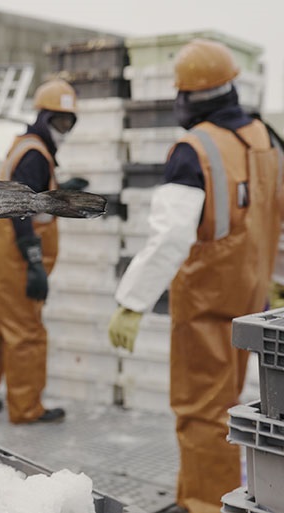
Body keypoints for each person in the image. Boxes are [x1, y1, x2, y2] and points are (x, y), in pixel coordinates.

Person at [108, 39, 283, 513]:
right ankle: (203, 496)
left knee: (201, 413)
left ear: (186, 96)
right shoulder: (265, 137)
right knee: (229, 410)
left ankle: (206, 504)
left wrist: (132, 302)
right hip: (252, 303)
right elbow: (276, 213)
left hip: (208, 308)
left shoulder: (193, 149)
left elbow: (170, 239)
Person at [0, 79, 82, 424]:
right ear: (43, 117)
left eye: (69, 122)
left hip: (0, 249)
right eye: (59, 121)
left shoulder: (26, 145)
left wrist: (61, 191)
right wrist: (32, 260)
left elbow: (31, 194)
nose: (64, 129)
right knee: (25, 331)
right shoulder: (35, 153)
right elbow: (21, 209)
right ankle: (27, 408)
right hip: (17, 252)